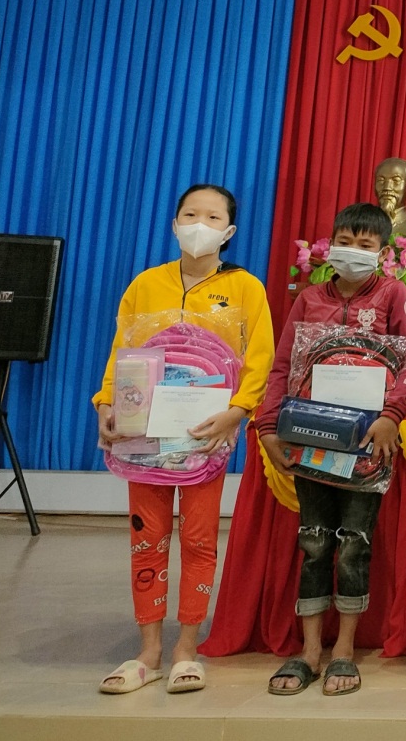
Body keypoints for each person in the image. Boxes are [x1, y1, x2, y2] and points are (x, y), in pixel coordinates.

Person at [94, 184, 274, 695]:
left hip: (204, 437)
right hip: (143, 435)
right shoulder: (145, 284)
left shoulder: (245, 288)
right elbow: (122, 349)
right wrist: (105, 403)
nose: (200, 224)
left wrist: (237, 412)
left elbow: (260, 358)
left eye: (212, 217)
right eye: (190, 214)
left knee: (198, 541)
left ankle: (186, 649)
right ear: (174, 224)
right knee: (146, 539)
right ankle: (148, 651)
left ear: (229, 231)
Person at [258, 202, 406, 696]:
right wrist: (268, 427)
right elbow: (282, 365)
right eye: (345, 242)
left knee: (354, 544)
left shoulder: (394, 293)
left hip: (368, 443)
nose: (353, 251)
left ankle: (345, 650)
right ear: (330, 246)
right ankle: (309, 651)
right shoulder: (310, 297)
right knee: (313, 543)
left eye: (365, 245)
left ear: (383, 252)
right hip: (311, 440)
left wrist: (392, 414)